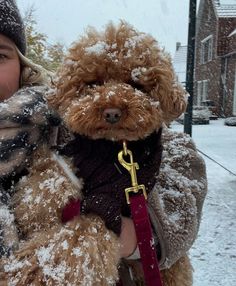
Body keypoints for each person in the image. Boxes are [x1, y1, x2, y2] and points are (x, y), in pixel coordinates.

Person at [0, 0, 136, 260]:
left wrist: (135, 233)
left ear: (22, 64)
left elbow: (177, 173)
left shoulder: (66, 124)